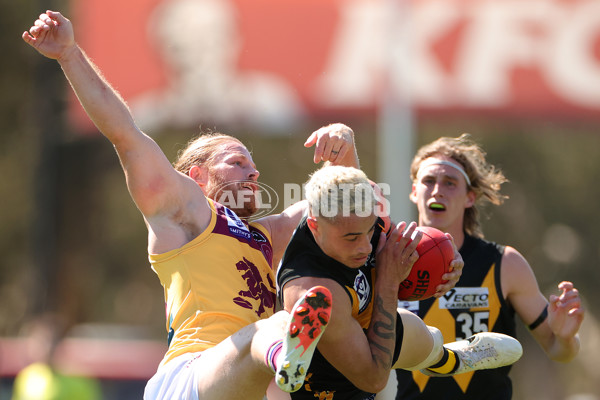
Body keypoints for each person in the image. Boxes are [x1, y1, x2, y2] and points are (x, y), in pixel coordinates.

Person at [22, 11, 358, 400]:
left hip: (245, 383)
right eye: (237, 162)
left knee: (282, 341)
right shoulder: (185, 213)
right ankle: (286, 355)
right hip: (191, 377)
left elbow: (339, 207)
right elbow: (125, 134)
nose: (253, 172)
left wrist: (345, 149)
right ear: (197, 177)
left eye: (253, 164)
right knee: (275, 329)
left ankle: (287, 357)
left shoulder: (267, 235)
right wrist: (69, 54)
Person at [276, 165, 523, 400]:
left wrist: (446, 261)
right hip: (337, 385)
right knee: (267, 333)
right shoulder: (314, 290)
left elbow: (389, 234)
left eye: (369, 230)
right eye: (351, 238)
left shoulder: (361, 202)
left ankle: (456, 359)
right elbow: (373, 379)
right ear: (314, 226)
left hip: (365, 327)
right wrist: (388, 280)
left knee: (420, 330)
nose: (365, 246)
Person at [392, 134, 585, 399]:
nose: (437, 190)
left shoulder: (505, 264)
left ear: (470, 197)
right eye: (428, 181)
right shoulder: (391, 261)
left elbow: (559, 352)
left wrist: (564, 337)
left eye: (450, 183)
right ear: (414, 191)